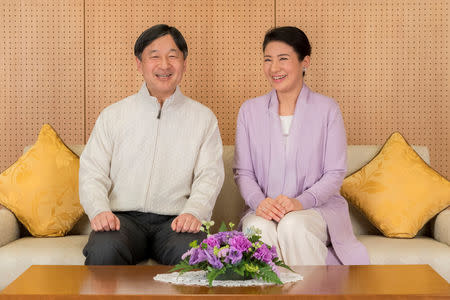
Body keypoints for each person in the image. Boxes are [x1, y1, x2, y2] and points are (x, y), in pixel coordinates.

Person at [79, 24, 224, 265]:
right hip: (123, 221)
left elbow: (210, 175)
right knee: (104, 249)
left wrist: (194, 212)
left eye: (172, 56)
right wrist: (99, 210)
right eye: (154, 56)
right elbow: (92, 172)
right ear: (139, 64)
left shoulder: (203, 118)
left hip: (176, 222)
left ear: (184, 63)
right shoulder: (113, 115)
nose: (164, 65)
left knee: (198, 256)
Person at [233, 26, 369, 265]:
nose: (274, 68)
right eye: (268, 59)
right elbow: (243, 172)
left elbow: (334, 174)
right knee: (257, 230)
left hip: (317, 211)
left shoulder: (327, 109)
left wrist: (300, 202)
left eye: (283, 59)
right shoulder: (249, 111)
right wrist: (259, 202)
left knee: (293, 225)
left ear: (304, 61)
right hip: (263, 209)